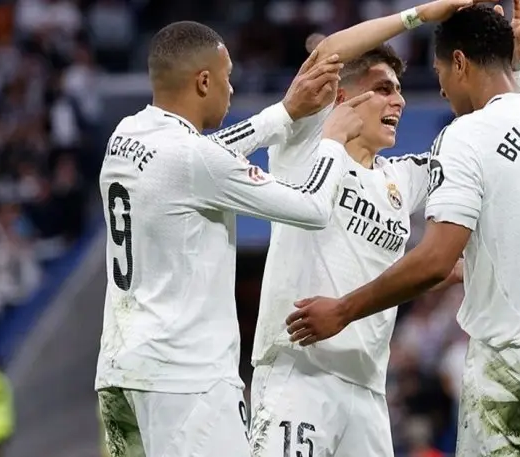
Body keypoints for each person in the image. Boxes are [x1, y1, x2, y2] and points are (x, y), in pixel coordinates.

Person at [286, 5, 520, 456]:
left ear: (459, 62)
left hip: (518, 358)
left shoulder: (466, 135)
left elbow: (436, 259)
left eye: (440, 73)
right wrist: (511, 67)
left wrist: (343, 309)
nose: (441, 90)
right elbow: (515, 167)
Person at [249, 1, 520, 456]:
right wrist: (420, 15)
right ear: (341, 97)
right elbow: (328, 52)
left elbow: (483, 137)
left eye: (399, 91)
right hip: (299, 374)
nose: (398, 101)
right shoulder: (307, 148)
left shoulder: (401, 178)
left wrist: (507, 70)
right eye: (383, 89)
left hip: (367, 390)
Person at [94, 21, 373, 457]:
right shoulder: (194, 157)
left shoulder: (127, 135)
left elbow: (209, 156)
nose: (232, 89)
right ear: (204, 81)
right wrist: (333, 141)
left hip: (120, 373)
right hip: (186, 379)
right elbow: (313, 208)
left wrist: (284, 113)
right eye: (228, 78)